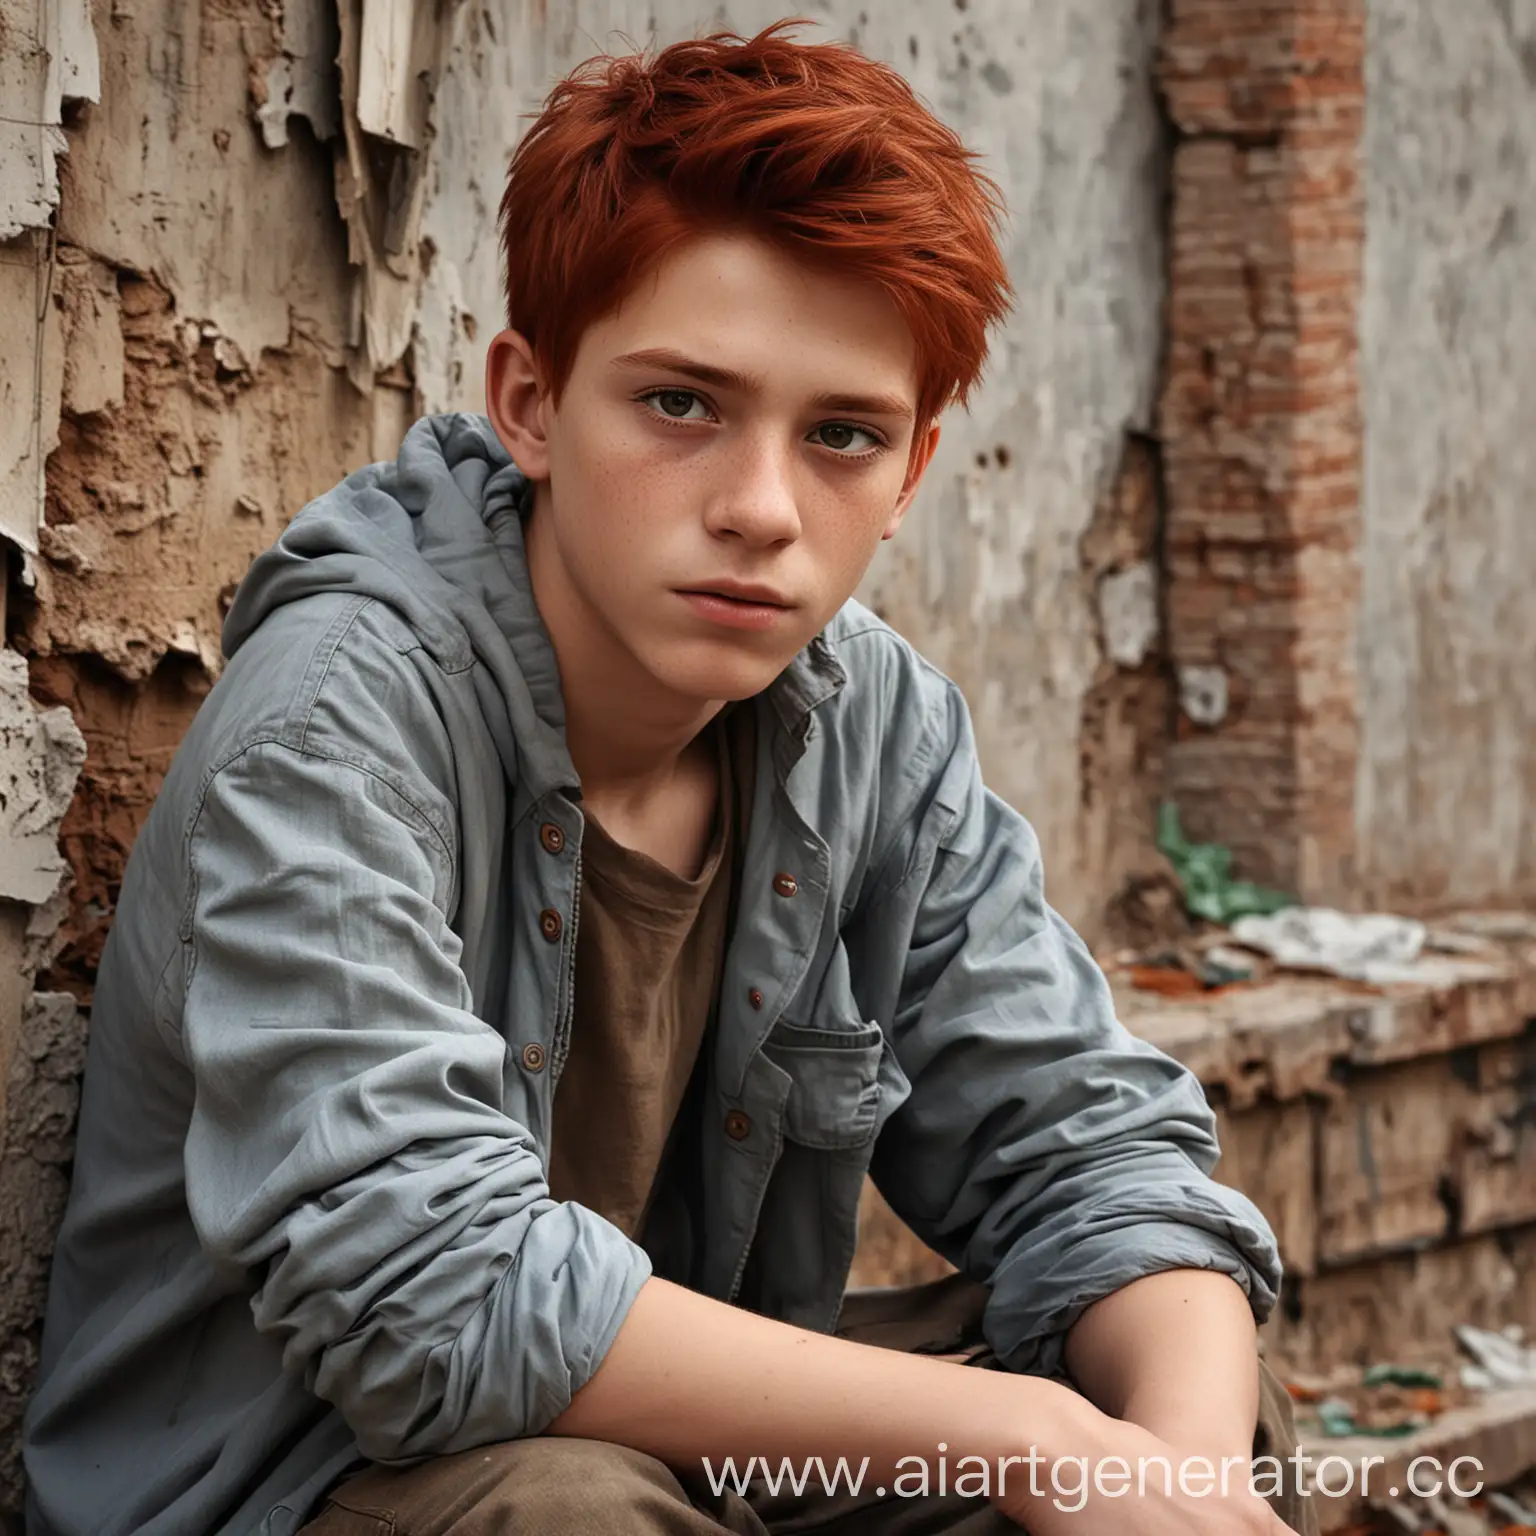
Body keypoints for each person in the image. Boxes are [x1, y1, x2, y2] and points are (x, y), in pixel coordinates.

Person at [24, 20, 1316, 1536]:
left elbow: (1090, 1146)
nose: (762, 509)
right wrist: (1022, 1440)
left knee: (1175, 1395)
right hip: (308, 1483)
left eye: (841, 435)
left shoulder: (874, 726)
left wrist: (1174, 1478)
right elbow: (426, 1297)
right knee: (580, 1512)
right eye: (682, 405)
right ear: (529, 401)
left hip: (675, 1470)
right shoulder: (339, 718)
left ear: (910, 474)